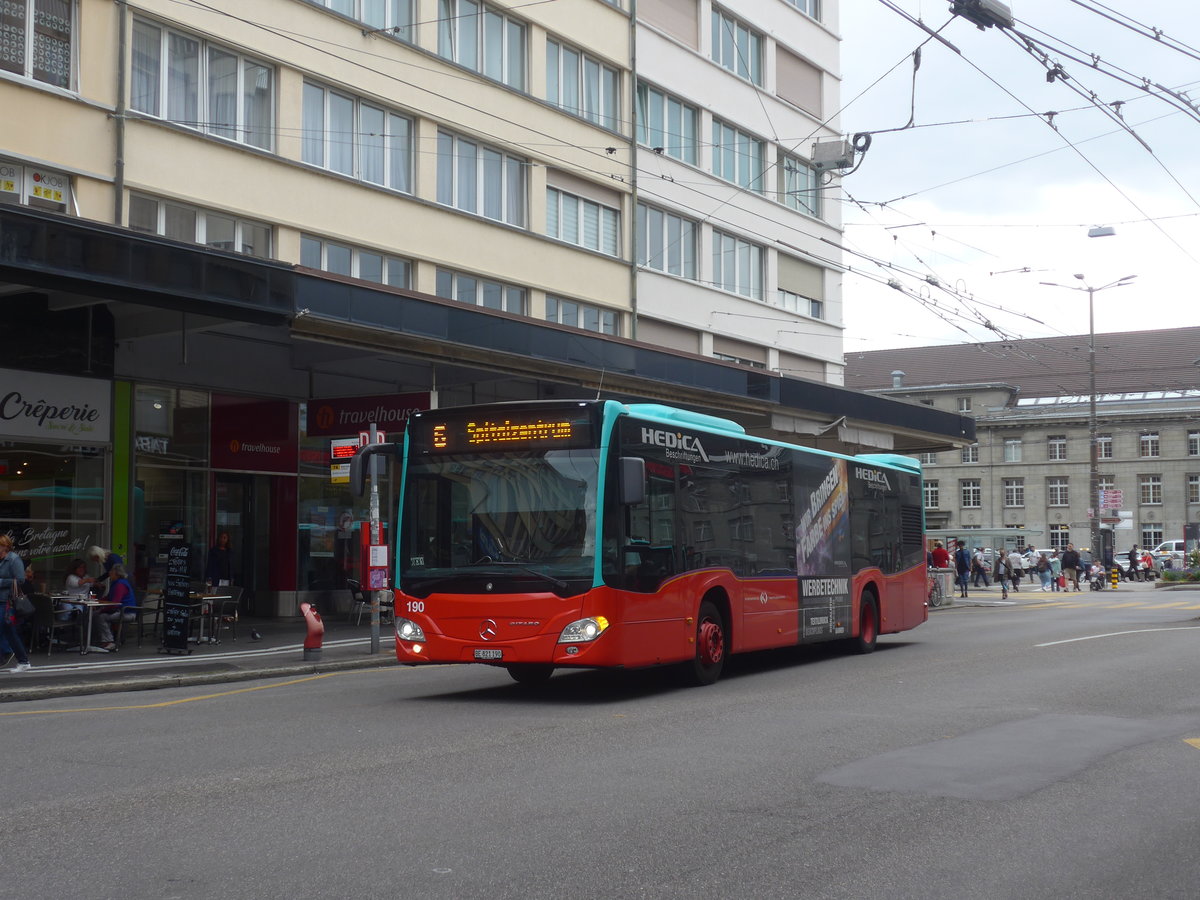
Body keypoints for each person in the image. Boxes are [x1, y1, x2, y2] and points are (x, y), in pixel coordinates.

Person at [0, 535, 32, 672]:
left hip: (7, 601)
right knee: (7, 630)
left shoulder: (13, 559)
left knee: (8, 629)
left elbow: (20, 580)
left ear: (5, 546)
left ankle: (19, 658)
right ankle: (16, 658)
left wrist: (1, 582)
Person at [92, 563, 137, 651]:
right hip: (121, 610)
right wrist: (97, 601)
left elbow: (115, 603)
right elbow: (109, 597)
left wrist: (102, 610)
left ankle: (109, 641)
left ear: (116, 573)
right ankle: (104, 639)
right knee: (97, 614)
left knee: (100, 616)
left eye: (111, 571)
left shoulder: (120, 584)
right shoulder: (116, 583)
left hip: (126, 612)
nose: (109, 573)